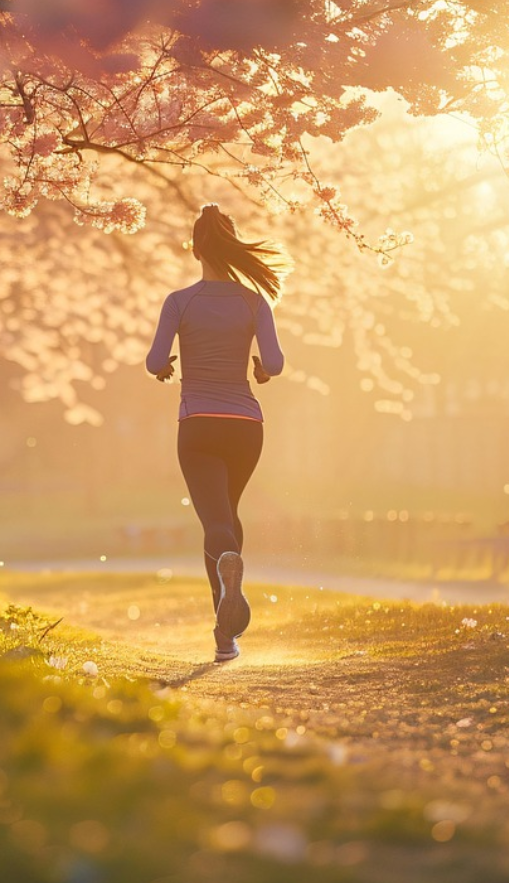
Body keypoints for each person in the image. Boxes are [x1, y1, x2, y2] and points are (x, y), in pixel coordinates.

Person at [145, 204, 288, 662]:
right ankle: (227, 633)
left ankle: (225, 635)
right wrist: (260, 371)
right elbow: (276, 363)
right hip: (247, 425)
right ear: (230, 246)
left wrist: (166, 367)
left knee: (217, 524)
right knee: (229, 515)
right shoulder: (253, 301)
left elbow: (153, 362)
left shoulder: (180, 302)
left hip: (199, 424)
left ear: (195, 249)